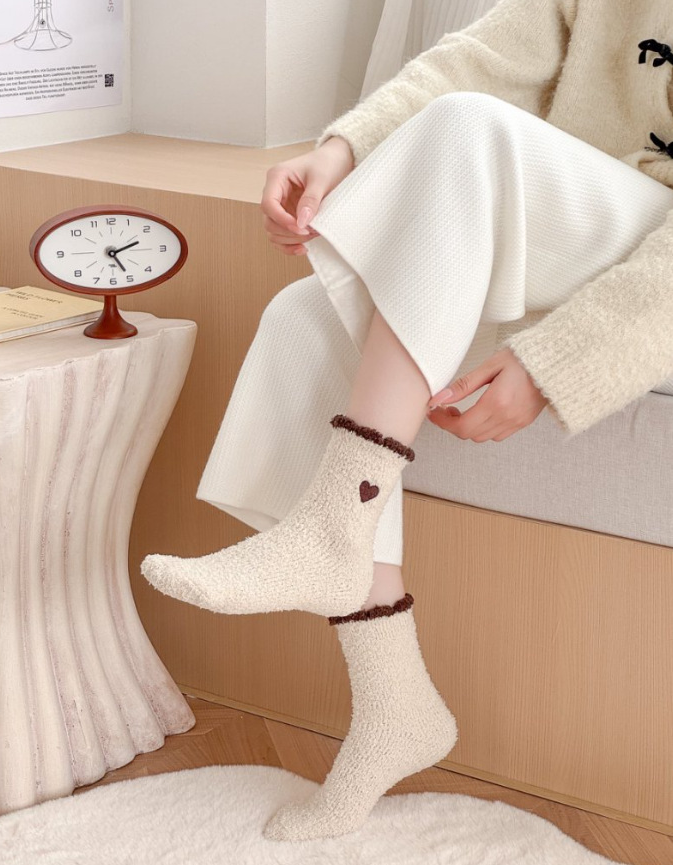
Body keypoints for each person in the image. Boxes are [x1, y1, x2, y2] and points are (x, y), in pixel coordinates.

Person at [141, 0, 673, 843]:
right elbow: (484, 56)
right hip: (585, 224)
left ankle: (333, 525)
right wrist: (341, 150)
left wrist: (560, 360)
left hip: (656, 278)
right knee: (301, 323)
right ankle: (395, 701)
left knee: (468, 128)